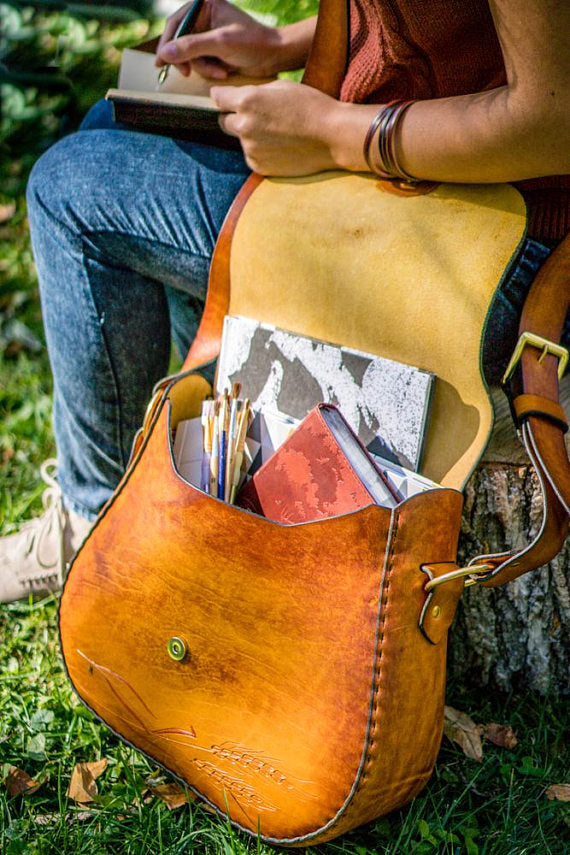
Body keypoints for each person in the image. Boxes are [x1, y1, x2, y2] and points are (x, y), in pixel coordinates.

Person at [1, 0, 568, 602]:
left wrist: (329, 134)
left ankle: (100, 530)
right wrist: (282, 46)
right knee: (109, 124)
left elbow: (554, 121)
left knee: (70, 188)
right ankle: (207, 481)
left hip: (504, 239)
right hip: (421, 179)